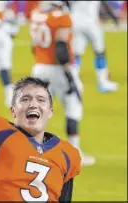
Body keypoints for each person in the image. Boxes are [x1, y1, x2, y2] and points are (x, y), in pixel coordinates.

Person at [0, 5, 81, 201]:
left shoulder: (67, 155)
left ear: (50, 111)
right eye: (25, 99)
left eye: (41, 100)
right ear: (13, 110)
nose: (33, 104)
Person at [29, 1, 95, 166]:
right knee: (73, 104)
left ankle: (28, 150)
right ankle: (75, 153)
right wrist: (69, 75)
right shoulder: (63, 17)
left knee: (36, 111)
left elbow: (33, 46)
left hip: (39, 67)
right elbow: (60, 47)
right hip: (57, 69)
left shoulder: (37, 14)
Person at [69, 1, 119, 93]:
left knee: (76, 54)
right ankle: (103, 82)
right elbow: (104, 4)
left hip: (75, 22)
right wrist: (114, 16)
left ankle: (74, 82)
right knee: (100, 52)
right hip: (91, 22)